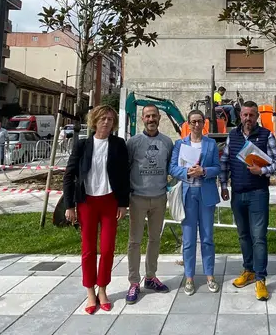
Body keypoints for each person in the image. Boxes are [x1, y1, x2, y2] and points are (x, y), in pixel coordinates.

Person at [63, 105, 129, 314]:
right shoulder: (82, 145)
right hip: (87, 203)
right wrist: (69, 205)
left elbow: (124, 175)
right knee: (88, 249)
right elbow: (69, 175)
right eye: (102, 119)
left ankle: (103, 289)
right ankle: (90, 292)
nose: (106, 122)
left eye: (110, 119)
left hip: (109, 202)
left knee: (108, 248)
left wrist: (123, 203)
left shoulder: (118, 144)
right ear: (94, 121)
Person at [219, 100, 276, 301]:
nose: (248, 118)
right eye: (245, 115)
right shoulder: (233, 135)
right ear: (240, 116)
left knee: (259, 237)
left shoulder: (266, 135)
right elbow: (225, 161)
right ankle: (249, 270)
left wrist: (261, 170)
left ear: (257, 116)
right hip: (238, 194)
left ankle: (261, 278)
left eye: (252, 115)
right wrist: (224, 185)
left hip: (258, 194)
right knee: (243, 235)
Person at [125, 104, 174, 303]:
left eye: (154, 116)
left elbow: (171, 167)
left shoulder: (167, 142)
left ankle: (151, 277)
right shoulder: (133, 142)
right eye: (147, 116)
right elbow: (126, 168)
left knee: (155, 239)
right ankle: (134, 282)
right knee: (135, 241)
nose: (151, 119)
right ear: (142, 119)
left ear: (159, 118)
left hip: (159, 198)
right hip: (138, 198)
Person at [170, 110, 221, 296]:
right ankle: (189, 277)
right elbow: (172, 168)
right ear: (188, 124)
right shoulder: (180, 144)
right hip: (188, 195)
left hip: (206, 194)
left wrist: (204, 171)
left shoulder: (211, 144)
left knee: (207, 237)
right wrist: (186, 172)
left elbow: (218, 167)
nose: (197, 125)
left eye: (200, 121)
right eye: (193, 122)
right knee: (188, 238)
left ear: (204, 122)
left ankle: (210, 275)